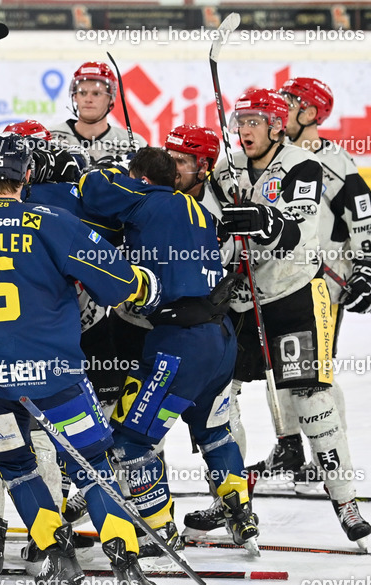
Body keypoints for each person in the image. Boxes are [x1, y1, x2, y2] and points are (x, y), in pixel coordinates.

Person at [0, 131, 161, 585]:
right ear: (28, 175)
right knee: (92, 465)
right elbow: (120, 282)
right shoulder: (54, 221)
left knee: (15, 467)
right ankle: (125, 554)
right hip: (55, 377)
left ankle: (54, 552)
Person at [209, 88, 371, 547]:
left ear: (278, 125)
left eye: (255, 121)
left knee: (310, 398)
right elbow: (209, 221)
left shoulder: (303, 164)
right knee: (222, 398)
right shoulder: (225, 169)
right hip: (238, 301)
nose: (245, 130)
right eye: (241, 121)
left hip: (292, 294)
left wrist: (260, 220)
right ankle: (232, 500)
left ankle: (345, 498)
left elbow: (293, 230)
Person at [78, 147, 256, 559]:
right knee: (214, 431)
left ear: (139, 179)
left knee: (129, 443)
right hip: (221, 336)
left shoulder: (141, 198)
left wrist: (104, 169)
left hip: (179, 343)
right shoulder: (201, 213)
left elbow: (92, 189)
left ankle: (157, 528)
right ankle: (240, 512)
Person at [261, 77, 371, 490]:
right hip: (277, 281)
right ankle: (290, 447)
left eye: (290, 103)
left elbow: (365, 216)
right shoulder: (276, 157)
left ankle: (329, 456)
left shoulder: (333, 161)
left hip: (321, 284)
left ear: (311, 113)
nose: (280, 110)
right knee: (279, 366)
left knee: (315, 374)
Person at [48, 61, 147, 163]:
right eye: (82, 93)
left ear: (111, 98)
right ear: (75, 96)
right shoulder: (49, 137)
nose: (88, 99)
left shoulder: (134, 144)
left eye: (96, 93)